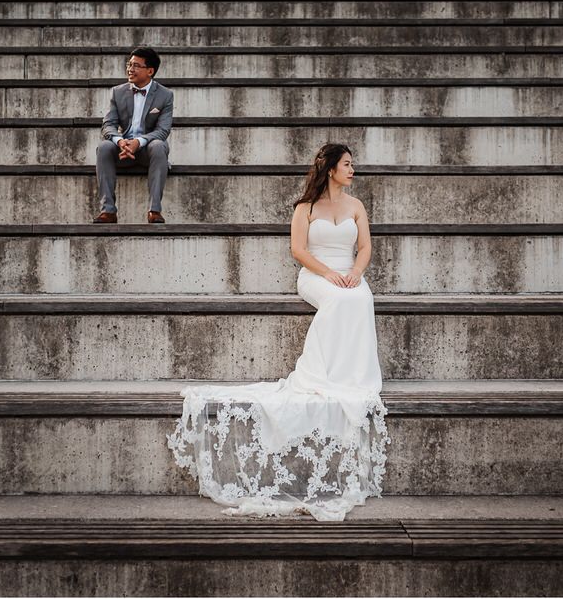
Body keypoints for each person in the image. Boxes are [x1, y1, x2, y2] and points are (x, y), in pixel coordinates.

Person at [168, 143, 389, 522]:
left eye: (352, 164)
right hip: (316, 275)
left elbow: (366, 246)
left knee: (358, 299)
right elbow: (299, 251)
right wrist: (329, 274)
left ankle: (354, 373)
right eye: (348, 164)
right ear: (331, 169)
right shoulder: (304, 208)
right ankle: (321, 373)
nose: (353, 169)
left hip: (350, 274)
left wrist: (356, 272)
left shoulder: (356, 206)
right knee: (338, 302)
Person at [93, 47, 174, 224]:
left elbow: (162, 130)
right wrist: (121, 141)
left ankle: (154, 210)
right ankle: (108, 211)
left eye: (136, 65)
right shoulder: (118, 92)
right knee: (104, 147)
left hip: (148, 150)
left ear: (150, 71)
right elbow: (108, 125)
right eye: (129, 64)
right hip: (123, 150)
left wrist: (139, 142)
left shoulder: (165, 95)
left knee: (159, 145)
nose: (130, 69)